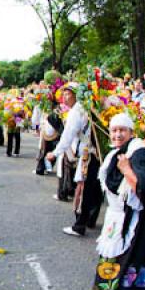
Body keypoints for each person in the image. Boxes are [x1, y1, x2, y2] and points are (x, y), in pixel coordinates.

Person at [90, 113, 145, 290]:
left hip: (132, 219)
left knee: (118, 257)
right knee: (112, 255)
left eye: (122, 130)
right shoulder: (118, 151)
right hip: (117, 215)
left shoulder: (139, 152)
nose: (117, 134)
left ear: (131, 132)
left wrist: (127, 170)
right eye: (114, 130)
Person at [47, 83, 102, 236]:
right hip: (97, 153)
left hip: (88, 153)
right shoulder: (88, 107)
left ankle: (80, 225)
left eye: (67, 93)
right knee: (96, 188)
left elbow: (68, 134)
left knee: (83, 187)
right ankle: (90, 219)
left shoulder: (77, 110)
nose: (64, 97)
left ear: (76, 95)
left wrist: (55, 153)